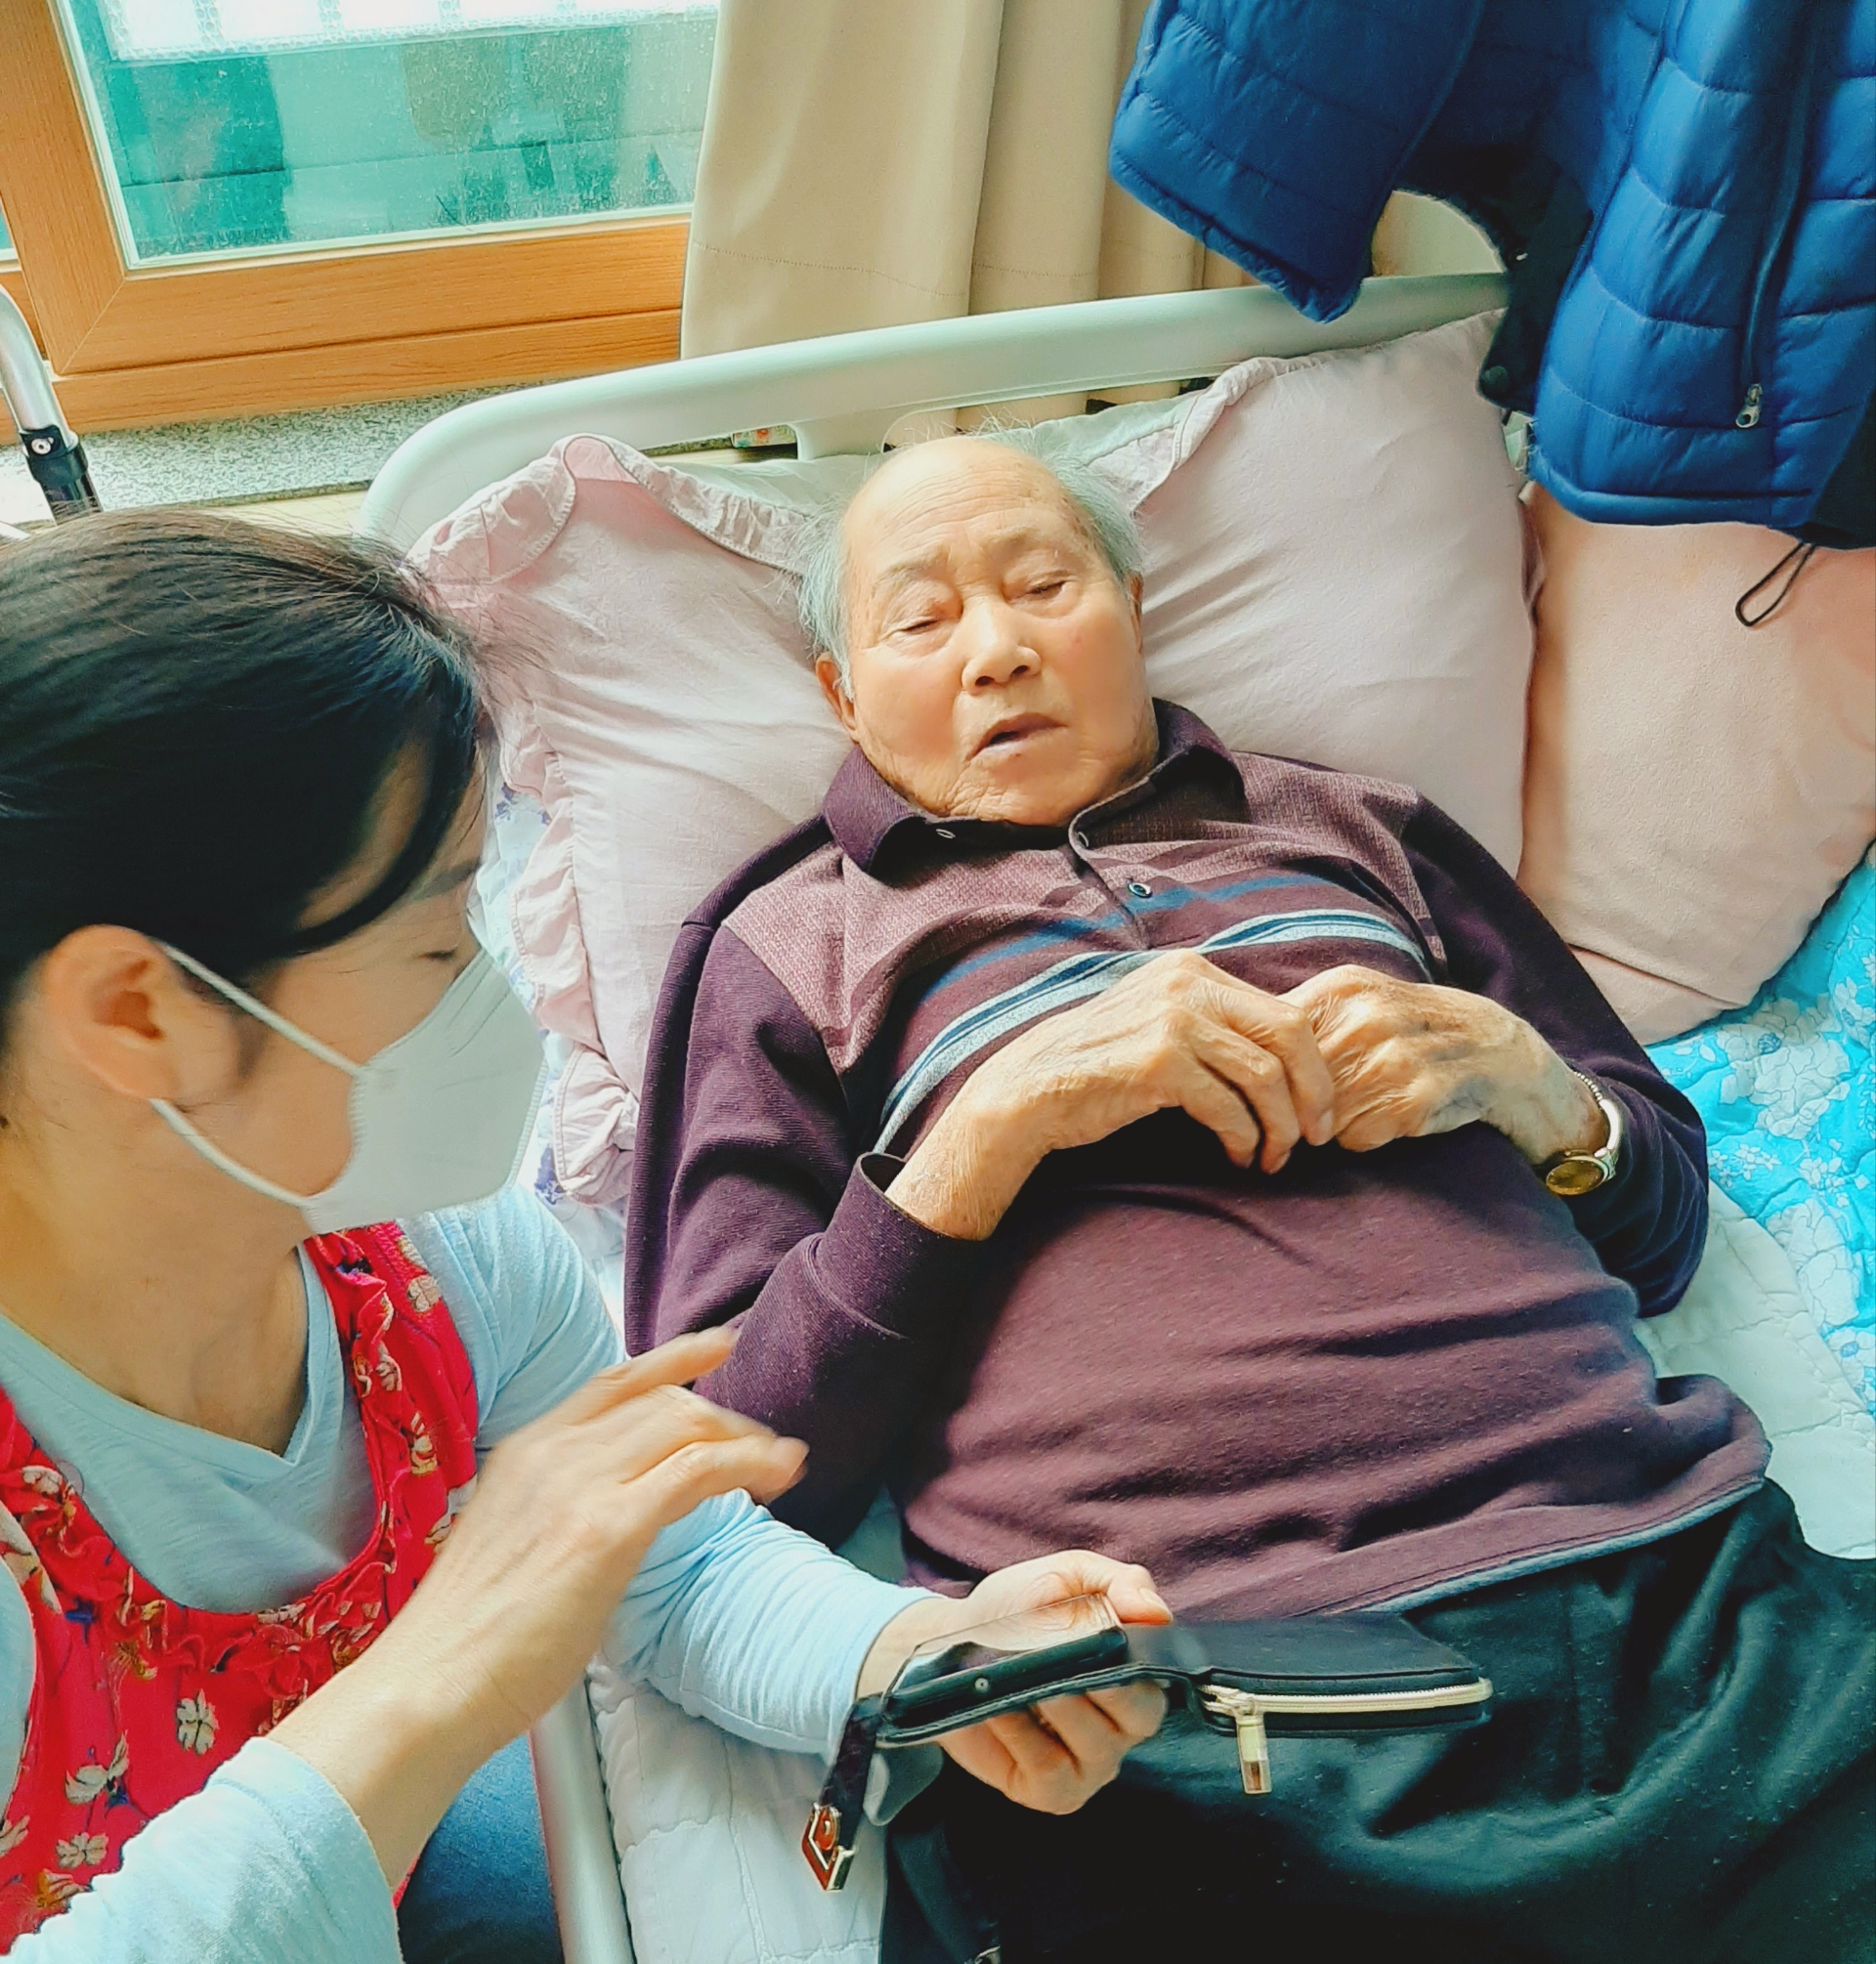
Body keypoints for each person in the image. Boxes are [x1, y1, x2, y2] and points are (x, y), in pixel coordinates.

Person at [628, 434, 1875, 1962]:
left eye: (1043, 585)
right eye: (922, 619)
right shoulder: (789, 946)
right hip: (1188, 1689)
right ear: (842, 693)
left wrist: (1532, 1083)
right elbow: (729, 1471)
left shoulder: (1359, 827)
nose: (998, 648)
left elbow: (1665, 1225)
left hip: (1674, 1589)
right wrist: (991, 1125)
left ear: (1135, 608)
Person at [0, 511, 1170, 1962]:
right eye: (439, 939)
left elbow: (674, 1570)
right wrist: (445, 1669)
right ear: (138, 1013)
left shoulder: (428, 1260)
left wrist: (915, 1653)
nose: (490, 999)